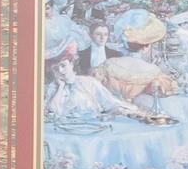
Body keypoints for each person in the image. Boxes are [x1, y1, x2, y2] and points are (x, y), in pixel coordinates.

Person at [43, 49, 171, 130]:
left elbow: (110, 102)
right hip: (67, 130)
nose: (60, 71)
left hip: (92, 128)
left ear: (71, 64)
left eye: (63, 66)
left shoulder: (88, 82)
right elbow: (53, 111)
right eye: (56, 68)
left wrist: (132, 112)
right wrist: (60, 87)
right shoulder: (53, 88)